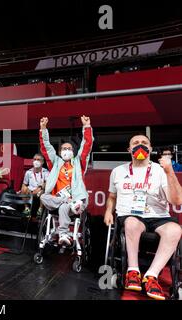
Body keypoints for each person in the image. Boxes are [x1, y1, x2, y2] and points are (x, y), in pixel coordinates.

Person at [104, 135, 182, 300]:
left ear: (151, 149)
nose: (140, 146)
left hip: (158, 216)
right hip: (130, 215)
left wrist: (170, 172)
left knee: (175, 230)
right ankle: (133, 271)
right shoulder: (117, 171)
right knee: (132, 222)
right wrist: (108, 211)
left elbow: (177, 200)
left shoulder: (161, 171)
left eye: (144, 143)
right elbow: (112, 196)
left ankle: (151, 277)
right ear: (129, 149)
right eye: (136, 143)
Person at [39, 116, 93, 246]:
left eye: (69, 149)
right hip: (61, 200)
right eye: (64, 148)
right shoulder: (55, 163)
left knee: (64, 207)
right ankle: (68, 202)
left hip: (77, 201)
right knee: (43, 197)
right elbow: (46, 147)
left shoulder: (79, 163)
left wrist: (86, 127)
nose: (67, 150)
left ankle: (63, 234)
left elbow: (86, 146)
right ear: (60, 152)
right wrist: (43, 129)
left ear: (73, 152)